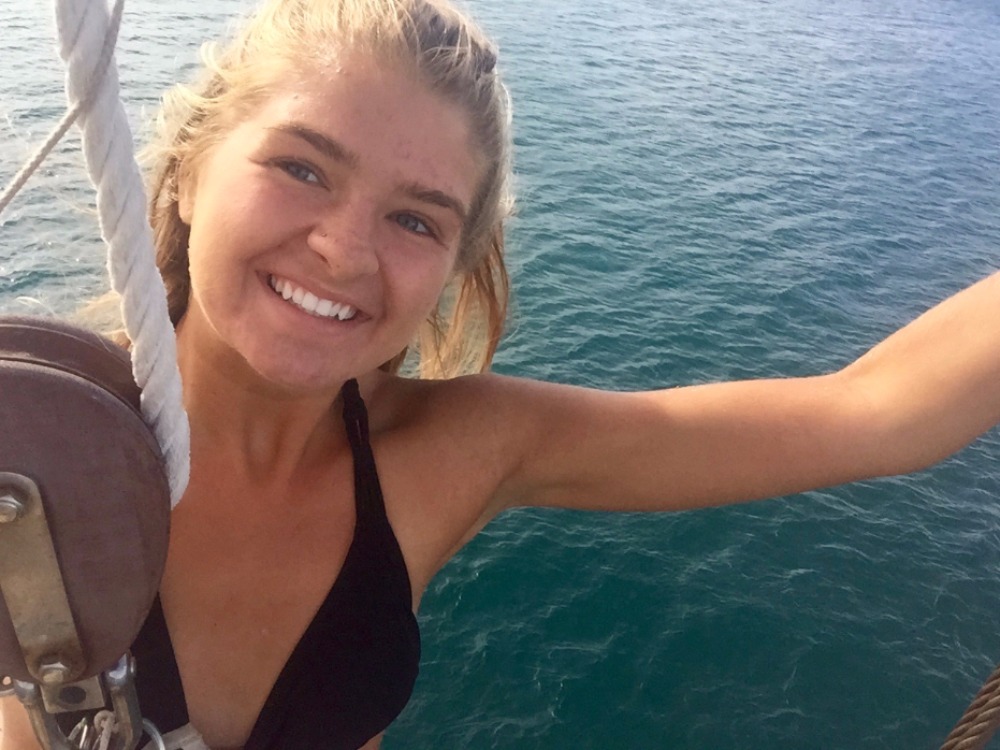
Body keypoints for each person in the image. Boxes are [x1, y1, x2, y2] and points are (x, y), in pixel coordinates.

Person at [1, 0, 999, 747]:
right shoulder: (29, 455)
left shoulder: (453, 451)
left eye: (415, 219)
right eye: (301, 168)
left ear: (452, 267)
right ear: (185, 173)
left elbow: (876, 414)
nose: (345, 250)